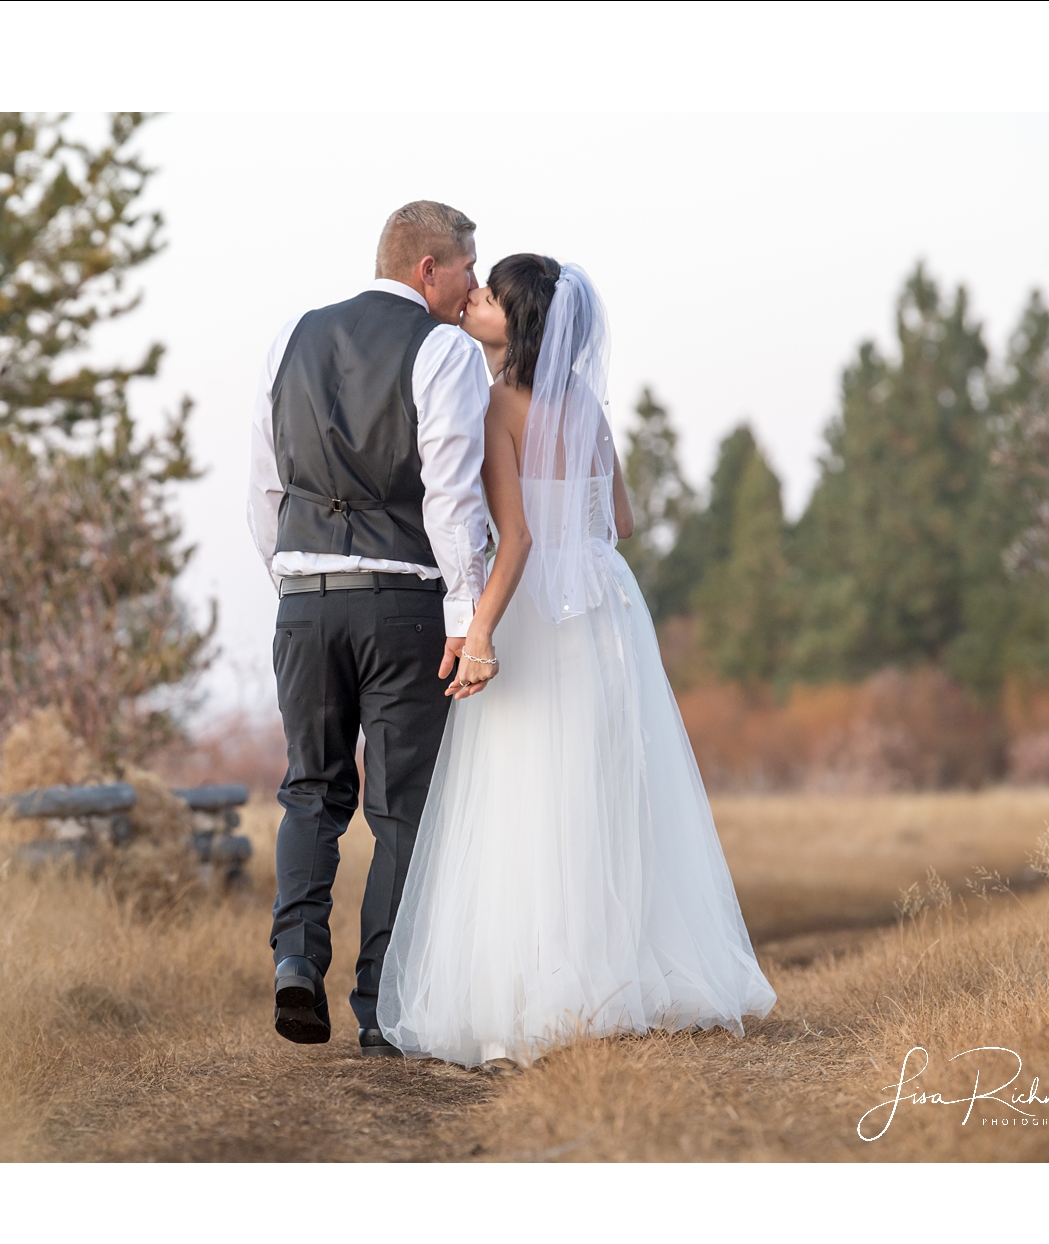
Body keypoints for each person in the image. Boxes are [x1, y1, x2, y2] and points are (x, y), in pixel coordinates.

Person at [376, 255, 778, 1069]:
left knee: (527, 788)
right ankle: (613, 974)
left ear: (516, 325)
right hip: (605, 607)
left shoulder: (497, 405)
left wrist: (479, 628)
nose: (475, 301)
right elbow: (620, 519)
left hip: (536, 608)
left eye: (488, 296)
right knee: (600, 790)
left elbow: (516, 538)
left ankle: (535, 986)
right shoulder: (587, 407)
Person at [246, 201, 493, 1057]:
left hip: (305, 599)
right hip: (403, 603)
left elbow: (265, 486)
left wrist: (291, 579)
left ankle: (294, 960)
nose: (473, 286)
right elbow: (453, 493)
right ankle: (381, 1006)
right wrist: (466, 618)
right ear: (429, 267)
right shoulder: (445, 350)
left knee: (310, 790)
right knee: (401, 809)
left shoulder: (291, 337)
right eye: (467, 266)